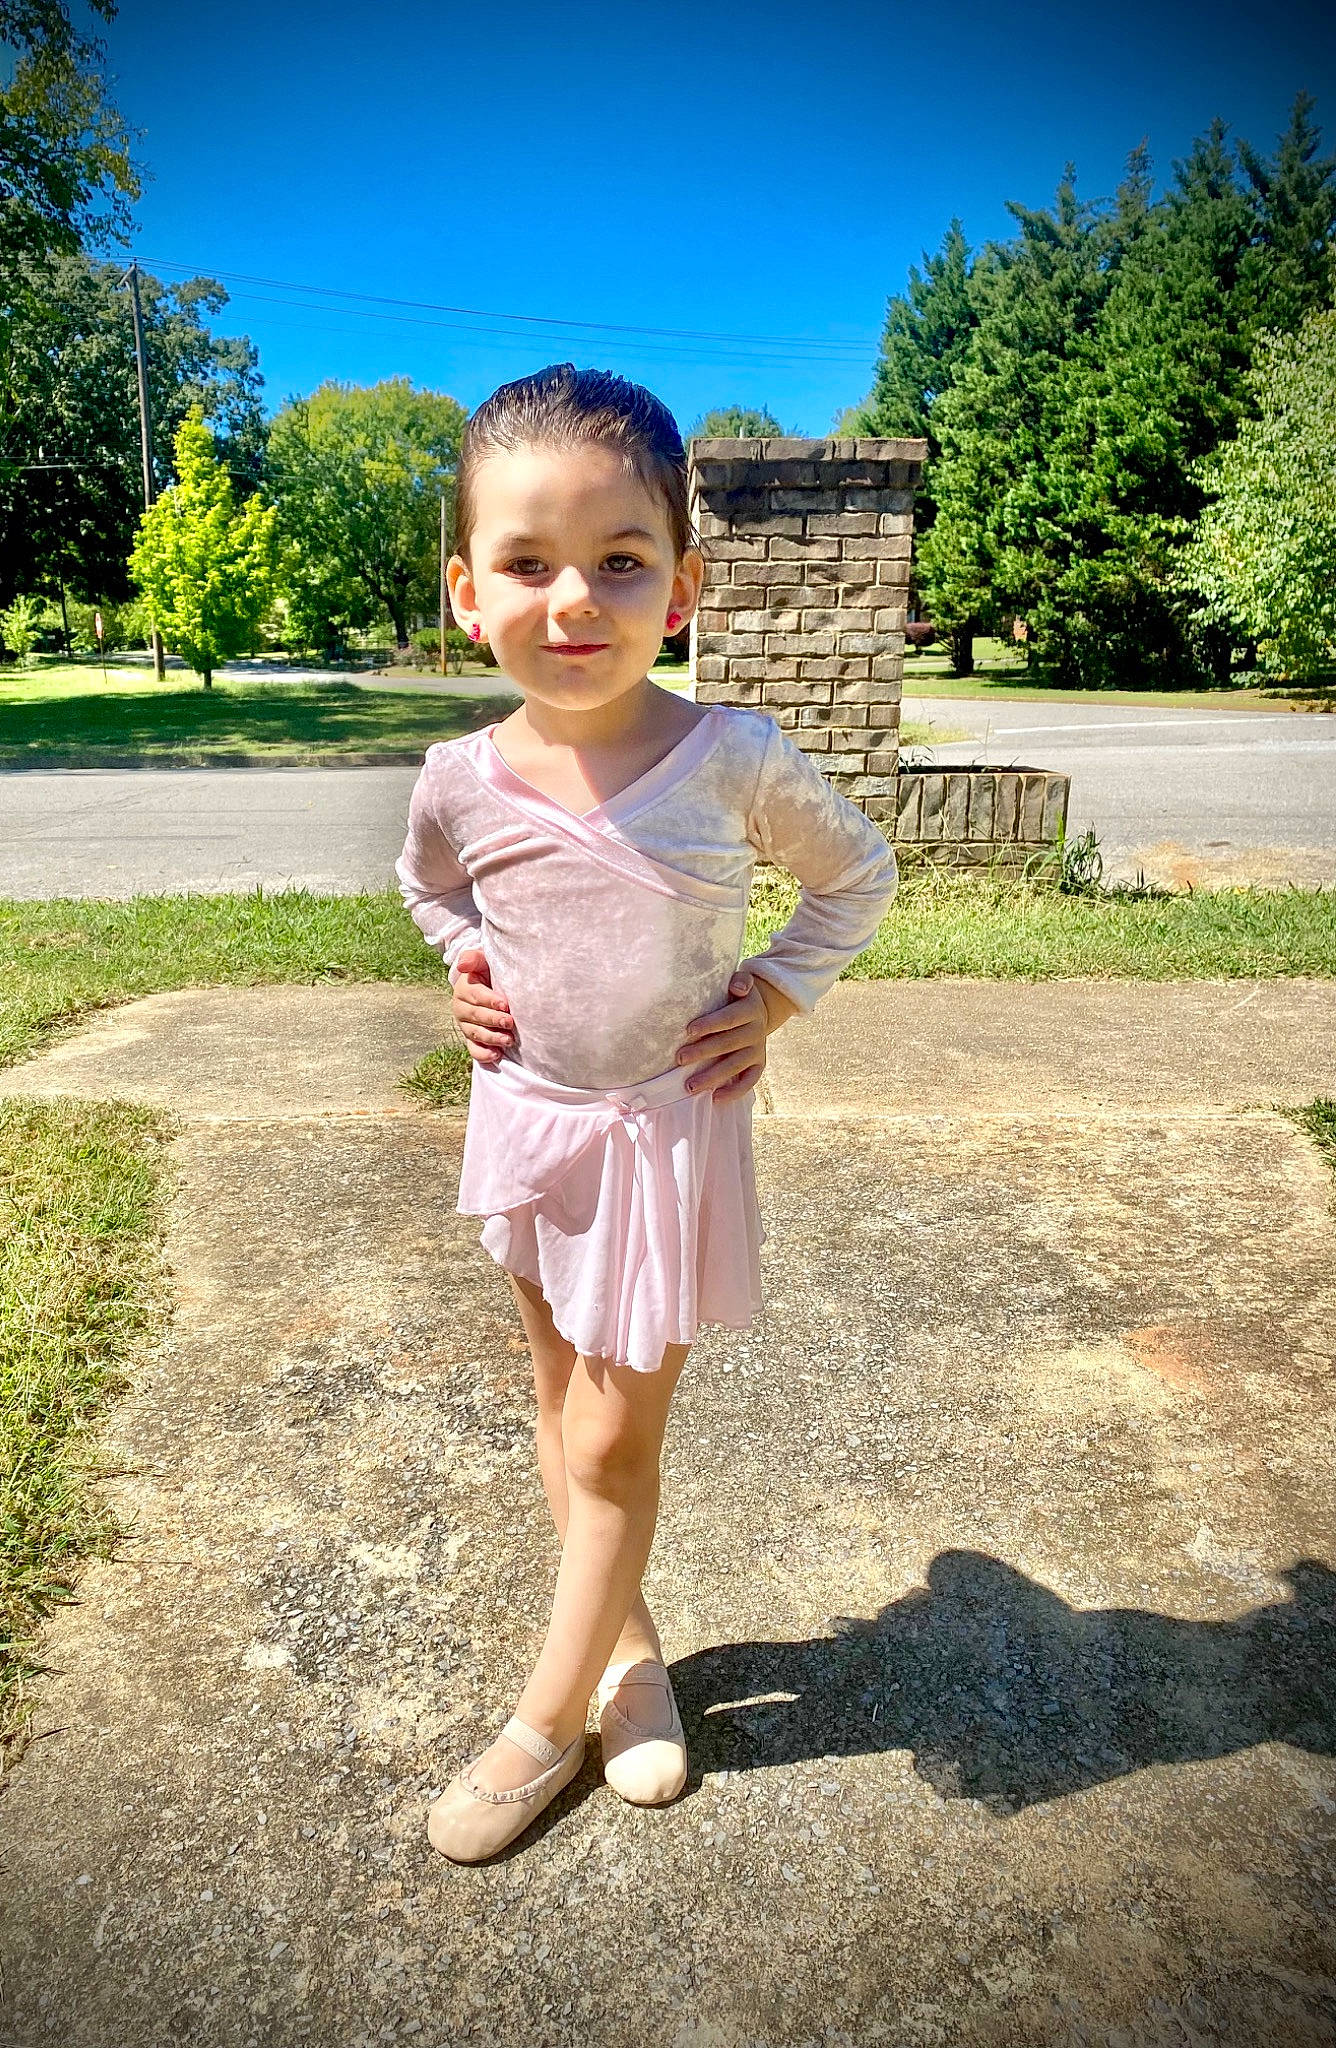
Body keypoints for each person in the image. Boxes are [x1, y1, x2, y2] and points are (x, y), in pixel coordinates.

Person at [395, 363, 898, 1862]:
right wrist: (462, 962)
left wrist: (783, 990)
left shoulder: (727, 757)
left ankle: (544, 1717)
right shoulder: (458, 778)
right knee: (560, 1407)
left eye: (620, 562)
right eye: (527, 562)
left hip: (661, 1142)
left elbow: (854, 875)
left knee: (615, 1443)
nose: (574, 600)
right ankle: (628, 1655)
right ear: (466, 592)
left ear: (679, 586)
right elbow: (429, 887)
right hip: (529, 1126)